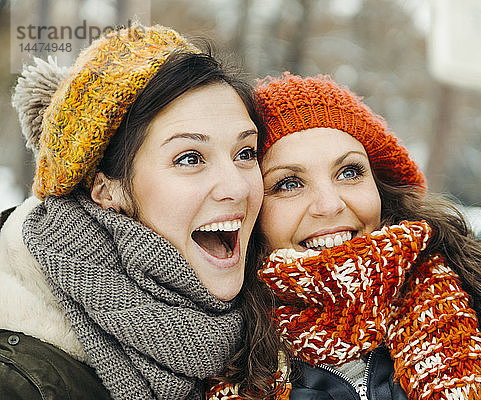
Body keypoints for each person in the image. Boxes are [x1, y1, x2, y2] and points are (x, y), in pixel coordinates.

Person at [251, 72, 481, 399]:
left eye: (349, 172)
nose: (329, 205)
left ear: (381, 187)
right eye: (289, 183)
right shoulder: (219, 358)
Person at [0, 25, 287, 400]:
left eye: (245, 154)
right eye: (189, 158)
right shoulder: (20, 382)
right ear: (106, 189)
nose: (236, 187)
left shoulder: (276, 318)